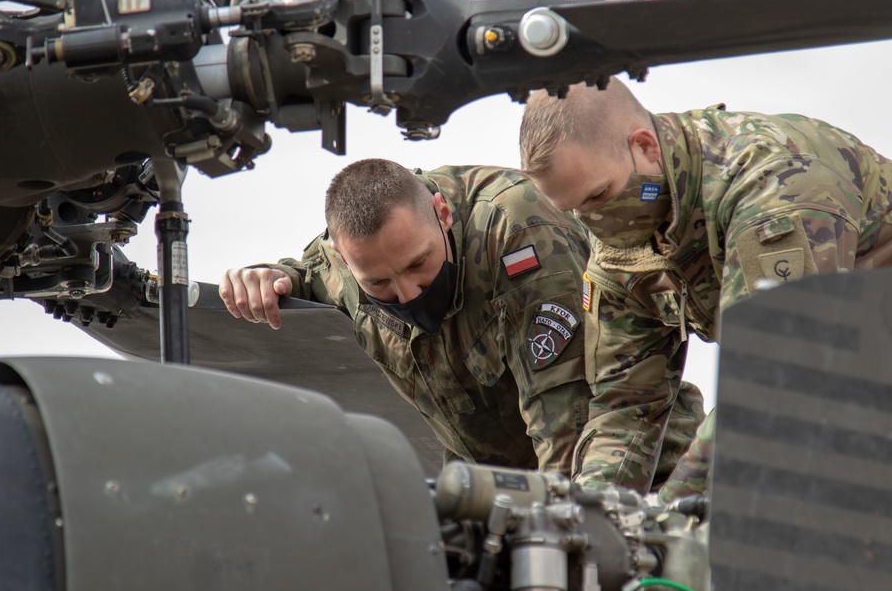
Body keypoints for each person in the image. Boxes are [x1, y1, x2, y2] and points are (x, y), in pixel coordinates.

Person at [518, 76, 892, 495]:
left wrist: (674, 506)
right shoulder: (619, 246)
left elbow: (774, 377)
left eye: (598, 196)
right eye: (574, 211)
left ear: (645, 146)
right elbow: (627, 404)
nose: (593, 221)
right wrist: (594, 513)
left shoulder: (773, 185)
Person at [219, 158, 697, 479]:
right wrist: (272, 277)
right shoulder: (344, 268)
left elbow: (567, 425)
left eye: (416, 265)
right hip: (495, 493)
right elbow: (306, 276)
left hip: (636, 478)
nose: (408, 293)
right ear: (344, 260)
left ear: (442, 213)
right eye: (379, 284)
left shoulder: (521, 237)